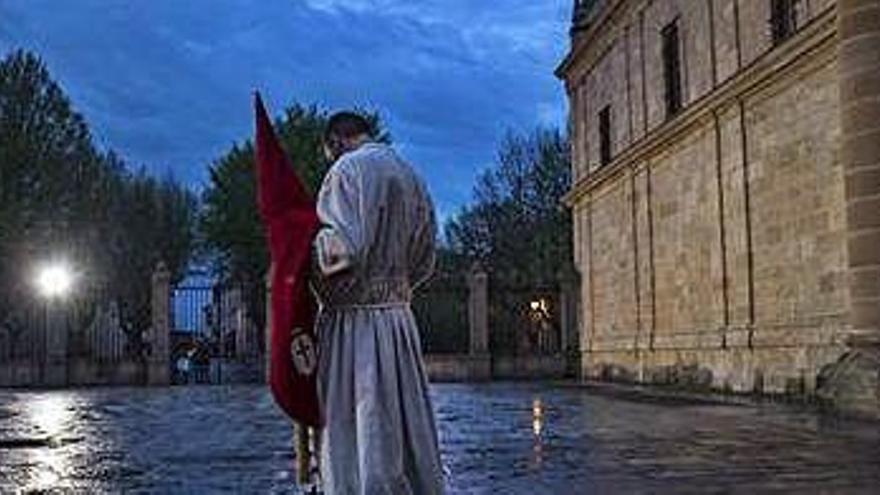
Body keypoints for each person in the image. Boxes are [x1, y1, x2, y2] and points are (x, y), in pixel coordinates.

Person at [312, 111, 445, 494]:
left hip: (354, 325)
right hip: (400, 322)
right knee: (404, 433)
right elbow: (425, 261)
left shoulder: (346, 171)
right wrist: (396, 289)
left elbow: (340, 253)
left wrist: (299, 251)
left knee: (361, 430)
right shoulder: (411, 175)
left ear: (335, 142)